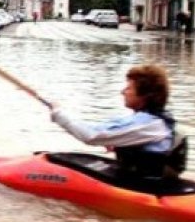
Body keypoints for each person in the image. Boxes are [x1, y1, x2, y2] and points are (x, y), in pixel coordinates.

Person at [49, 64, 185, 179]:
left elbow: (90, 135)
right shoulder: (159, 120)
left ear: (144, 96)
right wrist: (120, 145)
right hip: (152, 176)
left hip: (146, 183)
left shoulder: (148, 123)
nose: (123, 92)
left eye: (129, 88)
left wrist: (59, 114)